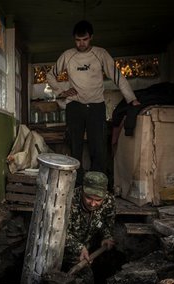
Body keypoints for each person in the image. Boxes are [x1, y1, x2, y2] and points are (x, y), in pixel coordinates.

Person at [46, 20, 140, 185]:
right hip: (74, 106)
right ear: (73, 39)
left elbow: (117, 76)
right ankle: (76, 186)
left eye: (85, 39)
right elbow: (50, 75)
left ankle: (98, 187)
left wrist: (131, 98)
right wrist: (61, 91)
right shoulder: (68, 55)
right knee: (75, 147)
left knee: (98, 147)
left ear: (91, 37)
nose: (81, 44)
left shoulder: (101, 54)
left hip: (96, 106)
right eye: (77, 40)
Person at [62, 171, 115, 284]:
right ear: (82, 191)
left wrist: (107, 236)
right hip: (62, 250)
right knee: (84, 279)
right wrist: (79, 247)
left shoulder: (109, 201)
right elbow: (59, 233)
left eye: (98, 200)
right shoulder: (69, 201)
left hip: (89, 249)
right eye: (88, 198)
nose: (93, 203)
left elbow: (106, 224)